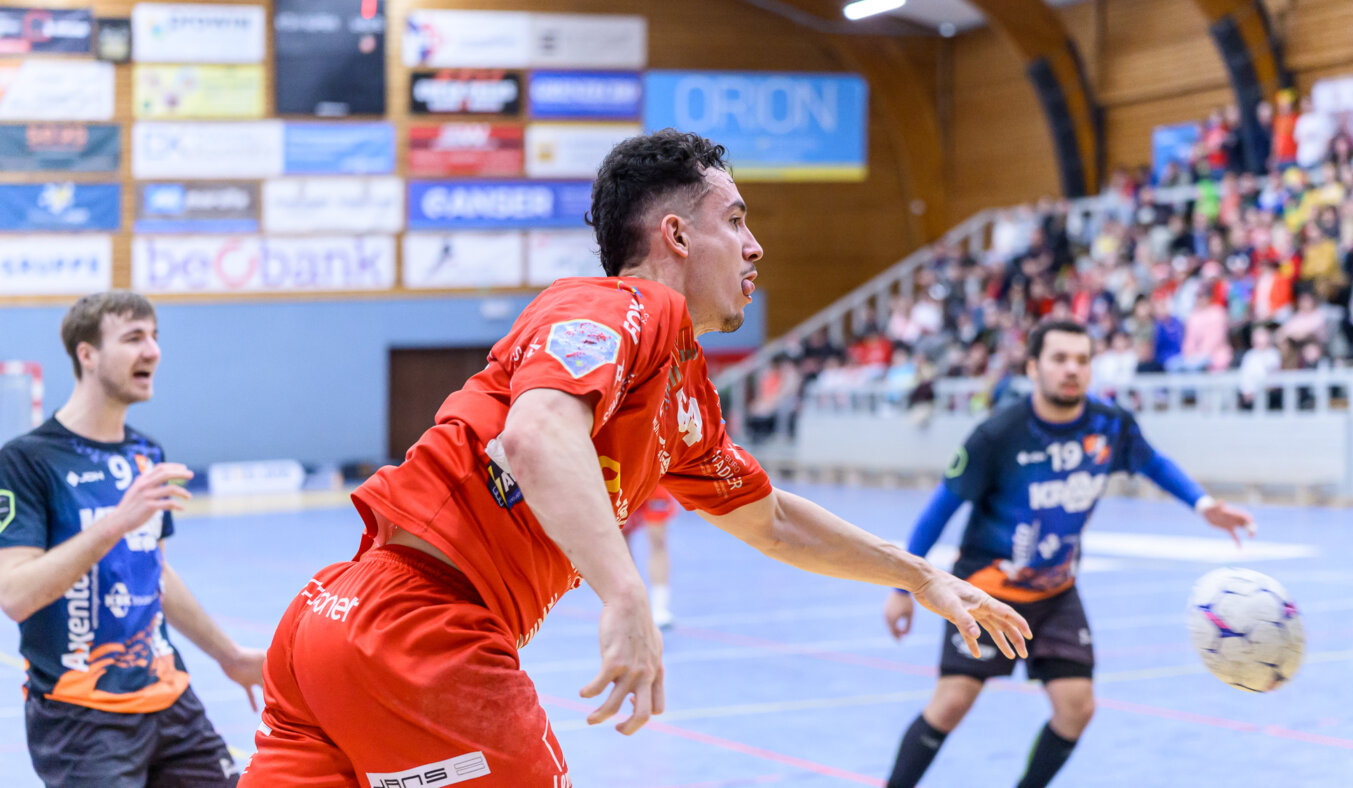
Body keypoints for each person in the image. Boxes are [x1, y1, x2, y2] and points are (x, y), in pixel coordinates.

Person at [241, 130, 1032, 787]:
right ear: (677, 236)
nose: (755, 247)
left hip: (327, 625)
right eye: (736, 221)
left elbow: (775, 523)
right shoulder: (619, 304)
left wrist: (917, 574)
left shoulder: (681, 399)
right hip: (421, 627)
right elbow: (536, 434)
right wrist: (625, 595)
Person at [881, 320, 1255, 788]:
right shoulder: (998, 435)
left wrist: (1203, 505)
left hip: (1056, 591)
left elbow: (1152, 462)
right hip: (987, 592)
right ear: (1033, 367)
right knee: (952, 702)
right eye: (1059, 359)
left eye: (1081, 359)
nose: (1072, 369)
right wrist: (902, 588)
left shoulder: (1109, 424)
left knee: (1077, 708)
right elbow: (940, 510)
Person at [0, 291, 266, 787]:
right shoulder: (26, 461)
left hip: (171, 702)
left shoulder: (146, 453)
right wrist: (115, 523)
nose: (152, 351)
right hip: (82, 719)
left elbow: (155, 571)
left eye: (155, 337)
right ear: (87, 354)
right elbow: (14, 595)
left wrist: (228, 656)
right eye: (134, 338)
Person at [622, 488, 679, 628]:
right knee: (622, 546)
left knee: (658, 539)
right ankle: (629, 605)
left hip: (653, 485)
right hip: (624, 483)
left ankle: (660, 607)